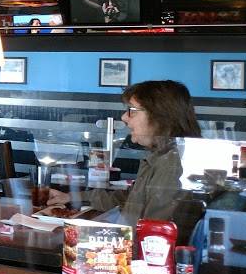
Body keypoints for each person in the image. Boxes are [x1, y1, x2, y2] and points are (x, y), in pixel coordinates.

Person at [50, 80, 200, 224]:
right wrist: (71, 197)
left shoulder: (172, 165)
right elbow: (129, 198)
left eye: (132, 111)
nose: (124, 117)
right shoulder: (161, 156)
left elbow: (152, 231)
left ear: (159, 117)